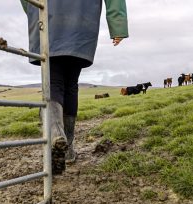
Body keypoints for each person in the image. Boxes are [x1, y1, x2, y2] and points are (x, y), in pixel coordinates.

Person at [20, 0, 128, 174]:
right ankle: (68, 148)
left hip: (48, 20)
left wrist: (35, 10)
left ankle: (55, 133)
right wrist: (118, 26)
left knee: (53, 82)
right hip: (82, 23)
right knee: (71, 84)